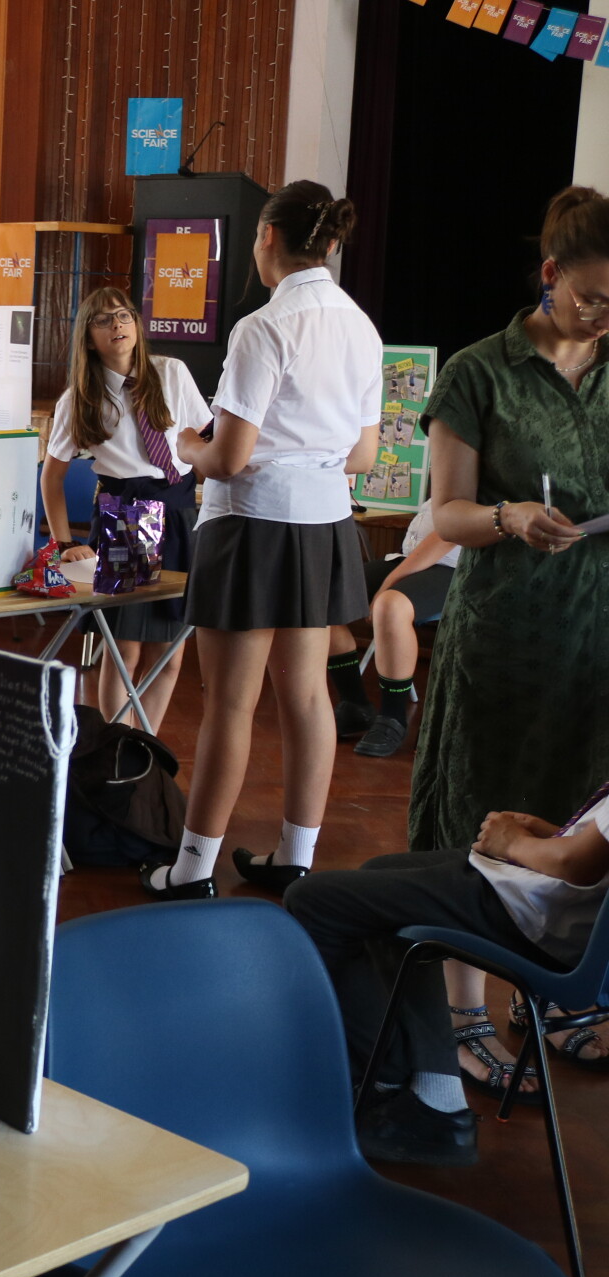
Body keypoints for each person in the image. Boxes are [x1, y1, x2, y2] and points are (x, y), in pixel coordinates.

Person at [141, 181, 381, 899]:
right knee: (307, 697)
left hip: (252, 524)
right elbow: (364, 455)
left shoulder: (263, 327)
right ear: (330, 244)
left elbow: (230, 457)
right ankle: (296, 860)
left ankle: (192, 870)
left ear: (268, 236)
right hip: (324, 523)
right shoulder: (361, 327)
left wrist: (187, 444)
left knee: (230, 703)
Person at [412, 186, 609, 858]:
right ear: (551, 274)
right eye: (593, 300)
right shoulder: (478, 374)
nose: (604, 319)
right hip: (509, 638)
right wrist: (510, 515)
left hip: (597, 645)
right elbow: (448, 513)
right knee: (482, 822)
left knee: (582, 836)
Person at [285, 778, 609, 1165]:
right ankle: (402, 1076)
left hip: (532, 916)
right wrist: (551, 836)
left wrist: (513, 843)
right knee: (380, 872)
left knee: (313, 900)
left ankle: (430, 1102)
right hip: (545, 904)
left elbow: (577, 865)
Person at [40, 286, 212, 731]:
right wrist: (64, 543)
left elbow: (205, 438)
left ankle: (143, 747)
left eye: (123, 315)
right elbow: (51, 477)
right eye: (103, 320)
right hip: (127, 517)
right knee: (125, 654)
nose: (116, 325)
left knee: (170, 655)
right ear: (88, 337)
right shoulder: (80, 397)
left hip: (179, 510)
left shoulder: (171, 372)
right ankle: (116, 745)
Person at [323, 496, 458, 759]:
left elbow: (448, 535)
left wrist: (389, 583)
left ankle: (393, 717)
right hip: (407, 559)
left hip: (451, 568)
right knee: (322, 598)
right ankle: (354, 704)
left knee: (390, 605)